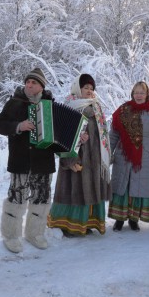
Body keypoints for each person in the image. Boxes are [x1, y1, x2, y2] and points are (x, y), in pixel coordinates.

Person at [0, 67, 56, 253]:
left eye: (34, 83)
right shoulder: (15, 103)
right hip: (20, 160)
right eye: (27, 82)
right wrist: (19, 126)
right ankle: (11, 235)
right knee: (17, 197)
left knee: (41, 199)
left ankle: (35, 233)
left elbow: (59, 134)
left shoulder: (50, 105)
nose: (29, 85)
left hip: (43, 161)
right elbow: (0, 125)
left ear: (41, 87)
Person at [48, 74, 112, 237]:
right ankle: (68, 225)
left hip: (95, 159)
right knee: (74, 190)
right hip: (77, 157)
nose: (89, 91)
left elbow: (103, 134)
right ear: (78, 88)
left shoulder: (97, 108)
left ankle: (88, 222)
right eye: (86, 88)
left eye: (91, 88)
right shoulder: (71, 106)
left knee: (91, 190)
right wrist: (72, 156)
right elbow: (61, 137)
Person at [108, 81, 149, 232]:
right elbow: (114, 134)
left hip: (145, 158)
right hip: (123, 156)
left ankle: (133, 220)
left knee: (137, 188)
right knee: (123, 186)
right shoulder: (122, 111)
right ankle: (119, 219)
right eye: (136, 92)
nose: (139, 95)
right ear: (132, 94)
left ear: (147, 94)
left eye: (142, 92)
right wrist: (107, 153)